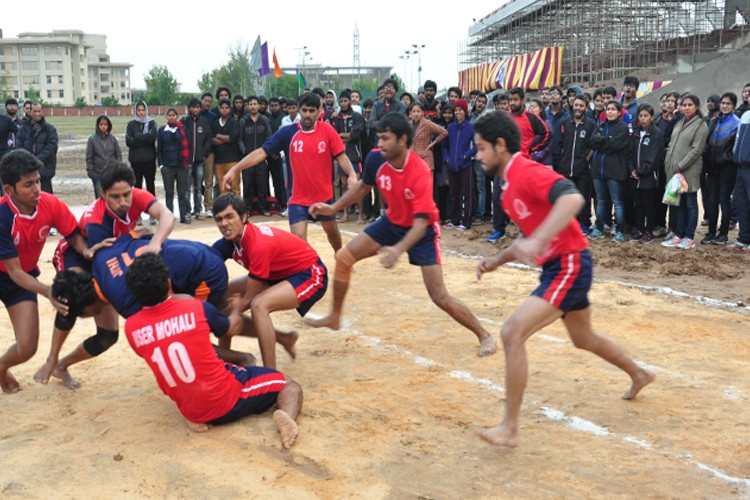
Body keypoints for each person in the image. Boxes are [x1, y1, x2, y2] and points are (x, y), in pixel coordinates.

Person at [472, 111, 654, 448]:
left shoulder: (526, 171)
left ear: (500, 145)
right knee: (584, 338)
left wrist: (540, 238)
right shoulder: (508, 186)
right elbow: (526, 238)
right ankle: (639, 374)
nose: (477, 155)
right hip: (559, 266)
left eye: (481, 148)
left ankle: (509, 428)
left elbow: (572, 198)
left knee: (512, 332)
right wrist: (497, 260)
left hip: (570, 263)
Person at [305, 113, 496, 357]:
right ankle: (334, 316)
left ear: (403, 139)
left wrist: (398, 249)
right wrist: (333, 207)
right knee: (343, 258)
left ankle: (484, 335)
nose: (380, 144)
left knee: (439, 296)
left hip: (423, 231)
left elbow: (419, 224)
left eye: (386, 138)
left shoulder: (419, 172)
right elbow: (363, 186)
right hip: (391, 223)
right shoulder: (376, 158)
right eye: (378, 138)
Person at [123, 253, 302, 447]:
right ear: (168, 283)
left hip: (190, 409)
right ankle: (288, 420)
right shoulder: (195, 308)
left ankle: (199, 413)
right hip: (225, 400)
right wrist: (235, 309)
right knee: (290, 385)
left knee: (198, 349)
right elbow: (232, 328)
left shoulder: (131, 327)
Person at [35, 162, 175, 388]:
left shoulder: (136, 195)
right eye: (115, 197)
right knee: (71, 301)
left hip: (110, 254)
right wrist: (138, 234)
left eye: (126, 195)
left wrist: (155, 242)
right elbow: (106, 258)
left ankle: (62, 366)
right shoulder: (96, 221)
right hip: (80, 256)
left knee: (108, 336)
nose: (123, 202)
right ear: (102, 194)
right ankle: (52, 357)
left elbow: (167, 216)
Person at [0, 150, 90, 393]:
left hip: (20, 279)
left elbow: (74, 238)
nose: (37, 188)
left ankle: (1, 366)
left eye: (38, 181)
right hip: (15, 273)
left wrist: (89, 253)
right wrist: (48, 291)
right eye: (28, 184)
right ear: (10, 190)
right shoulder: (2, 216)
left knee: (27, 348)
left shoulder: (50, 204)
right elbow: (14, 270)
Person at [222, 92, 356, 252]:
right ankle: (308, 273)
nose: (307, 115)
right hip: (297, 200)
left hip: (323, 198)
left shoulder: (327, 130)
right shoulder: (287, 133)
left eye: (312, 111)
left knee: (332, 232)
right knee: (299, 244)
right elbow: (260, 152)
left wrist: (352, 174)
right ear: (299, 110)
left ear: (319, 111)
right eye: (304, 110)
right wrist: (236, 169)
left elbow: (342, 157)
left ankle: (340, 255)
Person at [212, 194, 327, 370]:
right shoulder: (229, 242)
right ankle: (226, 364)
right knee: (224, 295)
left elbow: (249, 298)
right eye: (219, 219)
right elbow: (205, 263)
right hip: (278, 274)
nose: (224, 224)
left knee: (259, 305)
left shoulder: (258, 245)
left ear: (243, 217)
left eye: (229, 217)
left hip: (310, 273)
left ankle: (271, 376)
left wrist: (233, 312)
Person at [661, 94, 709, 250]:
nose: (686, 108)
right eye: (683, 105)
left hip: (688, 171)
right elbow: (671, 144)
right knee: (679, 204)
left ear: (696, 106)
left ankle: (689, 237)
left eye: (689, 105)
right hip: (675, 171)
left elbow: (696, 150)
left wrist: (681, 165)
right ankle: (678, 234)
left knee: (690, 203)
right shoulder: (679, 122)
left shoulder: (701, 125)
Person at [588, 100, 631, 242]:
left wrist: (602, 142)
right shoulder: (600, 125)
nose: (610, 111)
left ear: (619, 112)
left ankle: (619, 230)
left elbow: (614, 146)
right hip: (598, 170)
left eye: (613, 109)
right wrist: (604, 141)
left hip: (615, 171)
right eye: (608, 109)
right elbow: (592, 141)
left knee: (617, 201)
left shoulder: (622, 128)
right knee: (600, 200)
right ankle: (599, 228)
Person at [702, 93, 740, 245]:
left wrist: (725, 159)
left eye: (728, 104)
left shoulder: (737, 123)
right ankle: (711, 232)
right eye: (723, 103)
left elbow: (735, 150)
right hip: (712, 168)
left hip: (727, 169)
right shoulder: (713, 121)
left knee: (724, 200)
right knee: (711, 200)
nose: (725, 106)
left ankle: (723, 234)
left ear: (733, 106)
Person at [628, 104, 665, 244]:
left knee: (649, 204)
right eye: (641, 116)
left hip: (649, 177)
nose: (643, 119)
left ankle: (648, 231)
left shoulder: (656, 134)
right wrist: (631, 169)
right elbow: (630, 153)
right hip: (635, 177)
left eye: (646, 116)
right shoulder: (636, 133)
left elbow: (654, 157)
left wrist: (641, 171)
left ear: (652, 117)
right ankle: (639, 229)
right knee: (638, 205)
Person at [331, 90, 365, 223]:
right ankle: (345, 214)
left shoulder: (357, 116)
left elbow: (356, 135)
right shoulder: (337, 117)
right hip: (341, 156)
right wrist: (346, 136)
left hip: (355, 156)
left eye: (346, 101)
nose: (344, 103)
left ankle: (360, 215)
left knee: (356, 186)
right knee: (344, 185)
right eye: (342, 101)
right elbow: (334, 136)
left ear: (350, 102)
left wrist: (343, 135)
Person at [442, 99, 476, 231]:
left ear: (465, 111)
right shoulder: (450, 128)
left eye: (460, 110)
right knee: (454, 194)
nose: (457, 112)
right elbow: (444, 146)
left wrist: (466, 155)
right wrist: (446, 159)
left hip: (465, 165)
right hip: (451, 165)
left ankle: (466, 222)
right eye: (456, 110)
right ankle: (455, 220)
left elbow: (477, 145)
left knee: (467, 194)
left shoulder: (470, 127)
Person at [238, 96, 273, 216]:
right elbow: (239, 139)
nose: (253, 106)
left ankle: (263, 208)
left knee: (262, 184)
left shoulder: (264, 120)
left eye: (255, 104)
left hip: (261, 158)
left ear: (259, 106)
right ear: (248, 106)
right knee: (247, 185)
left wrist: (265, 152)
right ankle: (247, 209)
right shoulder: (243, 121)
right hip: (247, 159)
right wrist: (244, 151)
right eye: (250, 104)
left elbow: (269, 137)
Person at [15, 102, 57, 195]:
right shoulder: (23, 129)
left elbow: (51, 148)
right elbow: (19, 147)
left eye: (39, 111)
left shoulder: (50, 129)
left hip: (44, 170)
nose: (37, 114)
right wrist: (28, 161)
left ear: (42, 112)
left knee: (46, 200)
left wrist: (36, 161)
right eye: (34, 111)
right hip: (26, 169)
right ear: (30, 112)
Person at [180, 98, 212, 221]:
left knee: (198, 187)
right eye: (193, 107)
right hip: (187, 161)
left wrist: (204, 153)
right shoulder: (184, 122)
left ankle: (198, 210)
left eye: (198, 107)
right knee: (187, 187)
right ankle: (188, 211)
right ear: (189, 109)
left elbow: (208, 139)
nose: (195, 109)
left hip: (199, 161)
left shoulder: (204, 122)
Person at [158, 108, 191, 224]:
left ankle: (183, 216)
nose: (171, 117)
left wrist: (188, 163)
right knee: (169, 193)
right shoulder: (162, 130)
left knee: (182, 192)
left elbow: (189, 145)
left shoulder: (183, 129)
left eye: (173, 115)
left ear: (177, 116)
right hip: (167, 166)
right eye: (169, 115)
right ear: (166, 117)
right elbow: (159, 149)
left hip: (182, 166)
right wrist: (161, 165)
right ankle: (169, 218)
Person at [125, 101, 157, 209]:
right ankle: (137, 214)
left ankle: (152, 211)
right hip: (136, 161)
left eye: (143, 110)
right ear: (136, 111)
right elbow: (129, 142)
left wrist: (137, 137)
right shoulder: (131, 124)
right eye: (139, 110)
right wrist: (144, 138)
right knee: (137, 188)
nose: (141, 112)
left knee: (150, 187)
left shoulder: (152, 123)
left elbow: (151, 138)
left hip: (149, 161)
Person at [86, 115, 122, 198]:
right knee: (100, 198)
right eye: (101, 124)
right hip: (98, 174)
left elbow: (118, 154)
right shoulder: (92, 139)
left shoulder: (112, 139)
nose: (103, 126)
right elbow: (89, 157)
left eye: (105, 124)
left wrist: (118, 168)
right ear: (98, 125)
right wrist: (91, 172)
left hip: (112, 173)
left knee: (113, 197)